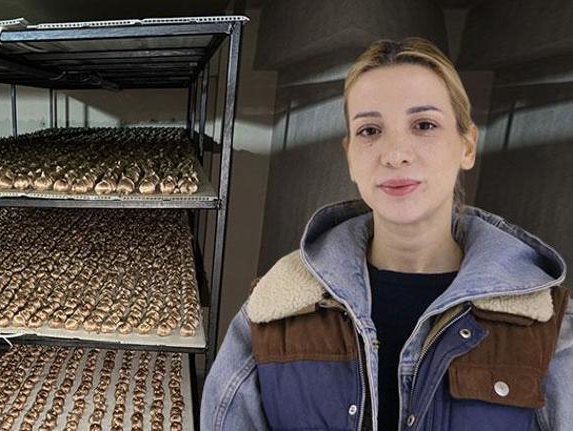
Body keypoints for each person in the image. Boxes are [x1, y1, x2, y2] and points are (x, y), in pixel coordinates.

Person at [200, 37, 572, 431]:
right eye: (370, 130)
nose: (395, 154)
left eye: (424, 125)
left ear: (467, 145)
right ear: (350, 156)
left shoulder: (547, 323)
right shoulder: (274, 308)